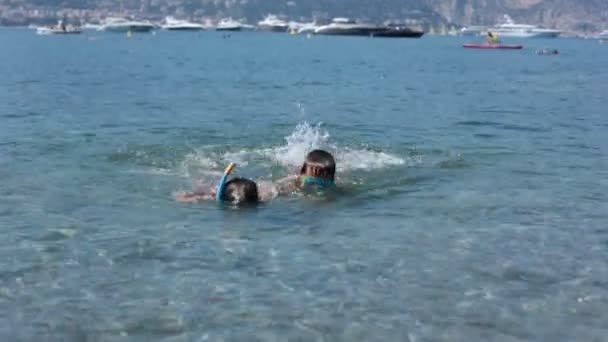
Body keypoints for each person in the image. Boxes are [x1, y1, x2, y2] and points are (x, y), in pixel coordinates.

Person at [174, 163, 262, 205]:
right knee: (201, 183)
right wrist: (193, 198)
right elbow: (179, 196)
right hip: (213, 188)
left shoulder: (257, 199)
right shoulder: (210, 195)